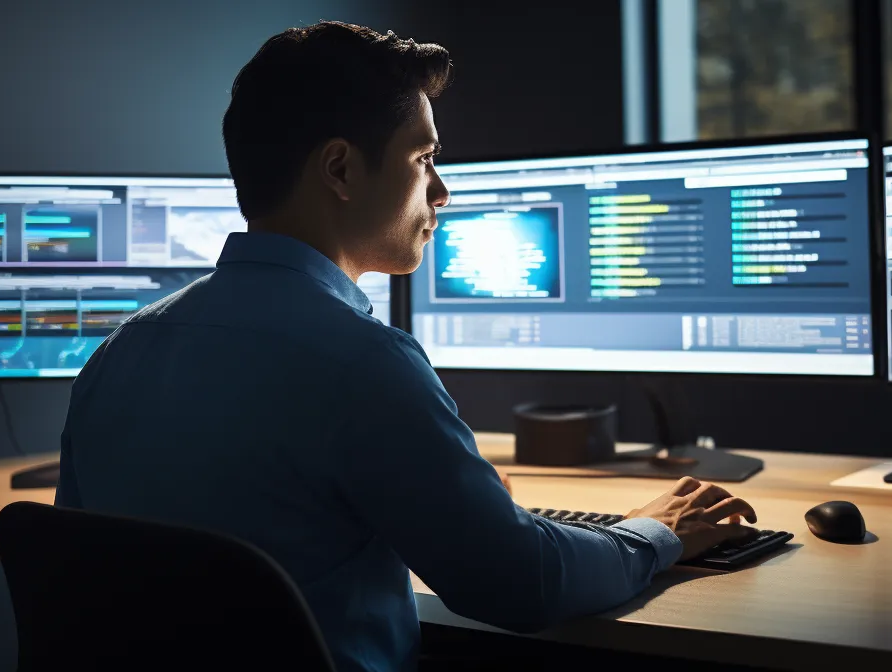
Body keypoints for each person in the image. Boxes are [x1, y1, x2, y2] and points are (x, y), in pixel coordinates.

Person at [54, 21, 759, 672]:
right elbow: (522, 585)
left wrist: (454, 500)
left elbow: (90, 572)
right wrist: (653, 533)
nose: (441, 191)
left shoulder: (119, 353)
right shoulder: (364, 363)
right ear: (340, 169)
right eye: (423, 158)